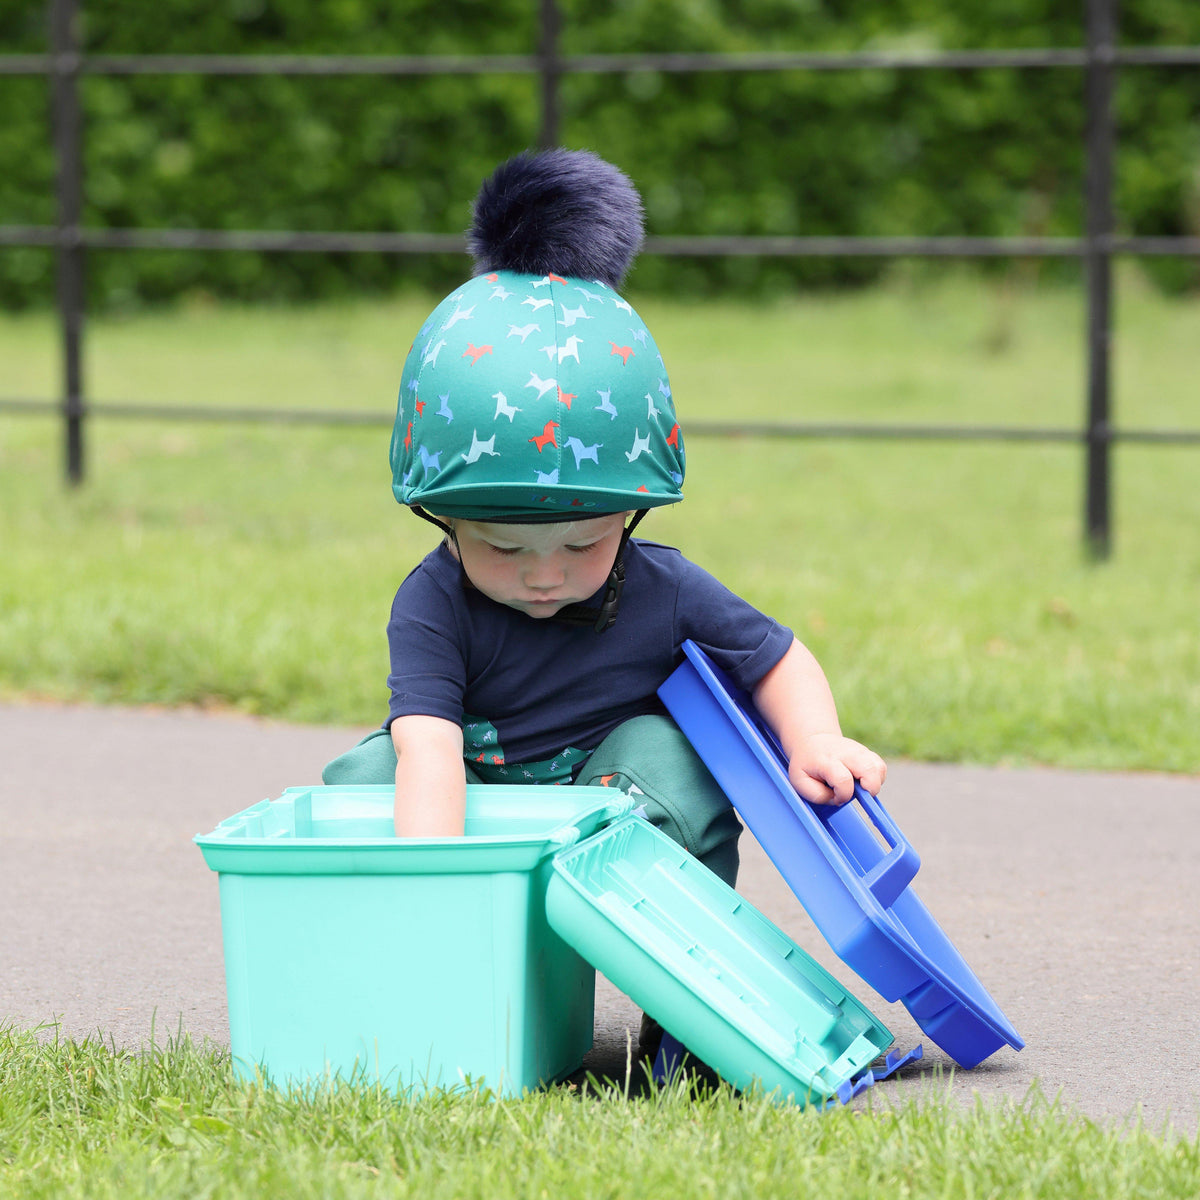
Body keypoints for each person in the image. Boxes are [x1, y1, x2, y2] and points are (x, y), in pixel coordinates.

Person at [323, 147, 886, 887]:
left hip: (622, 830)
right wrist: (436, 881)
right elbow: (428, 747)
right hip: (483, 820)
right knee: (367, 777)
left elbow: (775, 658)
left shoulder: (666, 588)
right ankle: (416, 925)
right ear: (446, 524)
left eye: (584, 544)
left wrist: (815, 739)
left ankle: (654, 938)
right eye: (503, 549)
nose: (545, 575)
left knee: (669, 753)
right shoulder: (434, 601)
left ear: (629, 517)